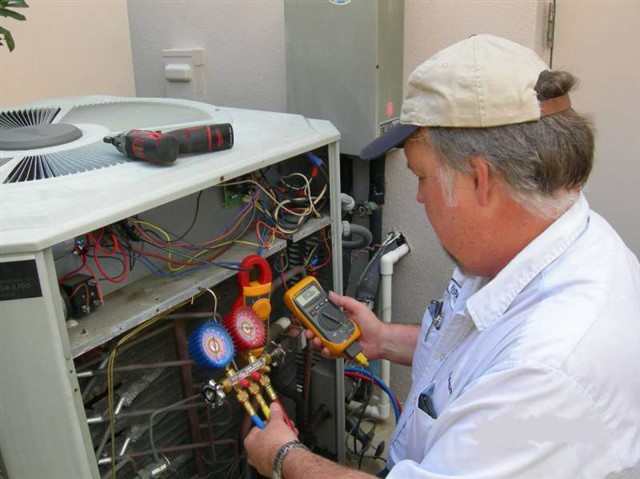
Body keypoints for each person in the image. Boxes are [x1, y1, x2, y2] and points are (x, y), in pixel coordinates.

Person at [244, 34, 640, 479]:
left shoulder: (548, 371)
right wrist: (383, 339)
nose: (417, 196)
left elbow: (508, 367)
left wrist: (284, 456)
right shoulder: (534, 246)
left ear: (480, 180)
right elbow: (476, 354)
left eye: (421, 177)